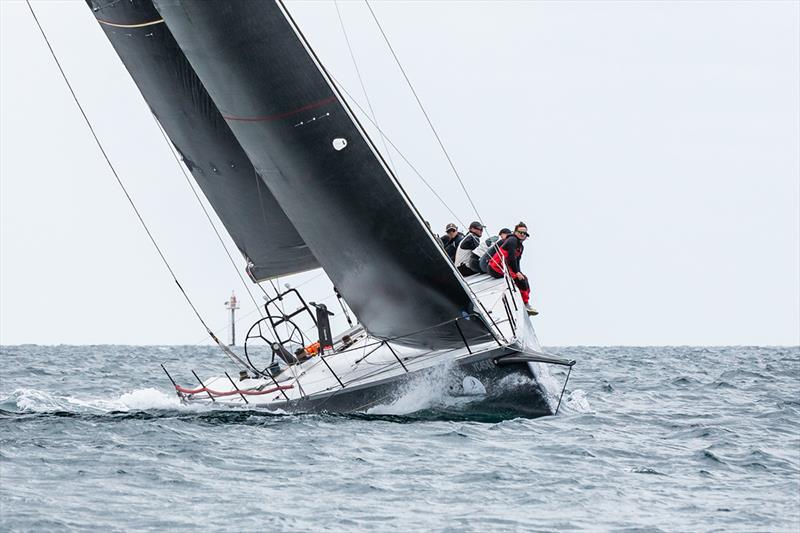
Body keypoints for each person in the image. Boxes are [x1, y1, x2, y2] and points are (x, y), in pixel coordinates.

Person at [488, 222, 538, 315]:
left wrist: (519, 272)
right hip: (496, 267)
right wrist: (516, 273)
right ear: (515, 232)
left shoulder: (520, 246)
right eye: (520, 232)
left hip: (505, 267)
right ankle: (525, 304)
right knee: (520, 281)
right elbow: (511, 258)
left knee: (524, 278)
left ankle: (526, 302)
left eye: (525, 234)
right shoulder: (512, 240)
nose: (523, 235)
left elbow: (517, 261)